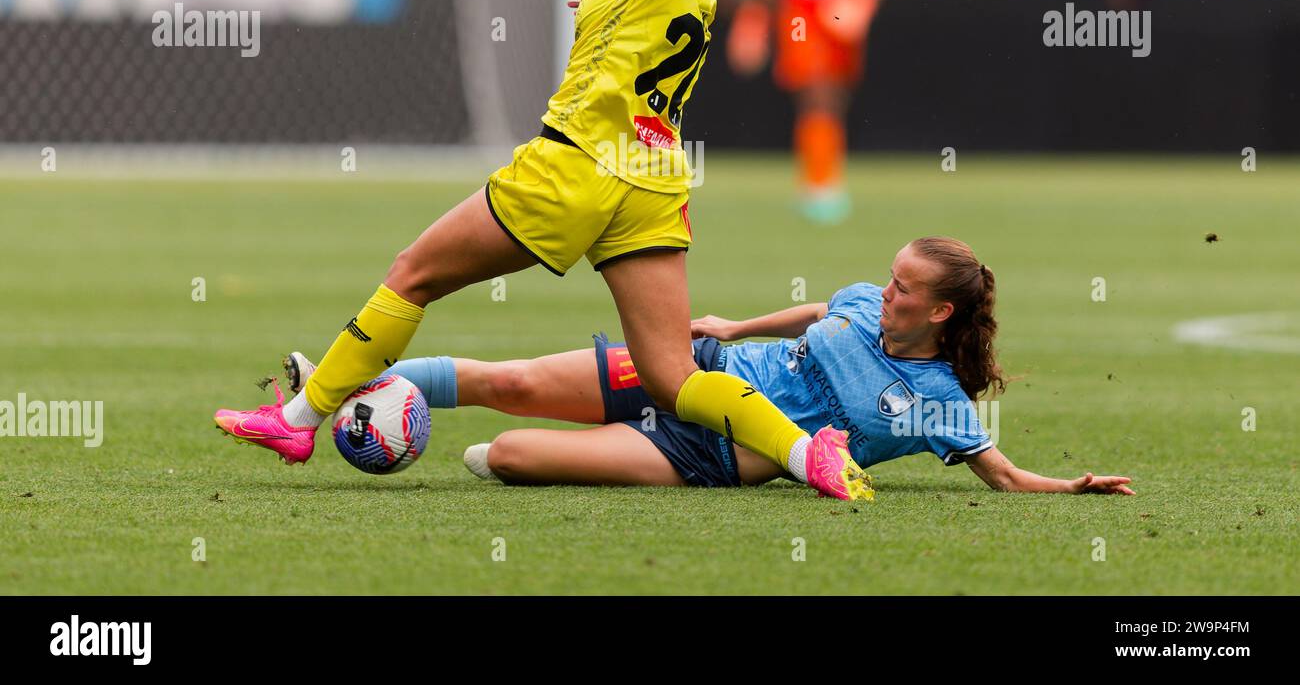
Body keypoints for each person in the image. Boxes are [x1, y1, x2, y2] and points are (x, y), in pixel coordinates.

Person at [215, 0, 873, 501]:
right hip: (654, 184)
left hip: (575, 168)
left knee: (412, 275)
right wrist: (604, 3)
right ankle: (807, 452)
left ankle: (296, 421)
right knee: (673, 379)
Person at [289, 237, 1134, 496]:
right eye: (889, 276)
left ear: (939, 312)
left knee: (507, 455)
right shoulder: (856, 301)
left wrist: (1071, 490)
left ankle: (377, 407)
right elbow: (813, 312)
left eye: (903, 287)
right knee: (505, 381)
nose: (884, 290)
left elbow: (1003, 475)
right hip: (688, 366)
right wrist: (737, 321)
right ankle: (333, 393)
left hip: (706, 453)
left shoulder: (937, 401)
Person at [726, 0, 888, 223]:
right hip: (803, 21)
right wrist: (753, 21)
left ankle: (825, 176)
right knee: (816, 93)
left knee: (836, 97)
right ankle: (819, 185)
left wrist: (862, 0)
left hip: (842, 23)